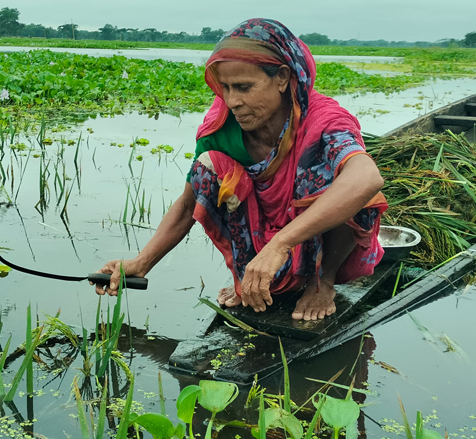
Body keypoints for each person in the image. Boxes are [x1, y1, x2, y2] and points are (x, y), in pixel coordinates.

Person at [96, 18, 387, 321]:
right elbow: (187, 205)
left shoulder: (324, 120)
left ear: (282, 78)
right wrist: (142, 262)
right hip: (266, 238)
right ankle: (247, 276)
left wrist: (281, 244)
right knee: (206, 168)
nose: (233, 101)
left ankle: (321, 281)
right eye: (226, 87)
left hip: (308, 235)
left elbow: (367, 178)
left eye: (245, 87)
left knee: (352, 183)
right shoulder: (222, 126)